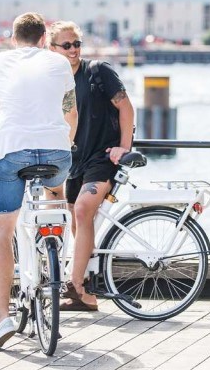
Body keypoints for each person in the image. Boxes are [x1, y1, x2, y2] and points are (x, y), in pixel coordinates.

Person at [0, 12, 78, 350]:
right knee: (56, 197)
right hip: (56, 154)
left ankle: (0, 319)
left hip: (12, 154)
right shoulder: (59, 64)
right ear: (43, 39)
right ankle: (55, 259)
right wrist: (65, 146)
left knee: (1, 232)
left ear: (13, 38)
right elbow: (71, 113)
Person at [47, 21, 135, 312]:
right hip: (74, 160)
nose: (73, 50)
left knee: (84, 210)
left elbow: (126, 107)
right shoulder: (56, 81)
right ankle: (86, 296)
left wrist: (124, 148)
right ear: (52, 48)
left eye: (77, 44)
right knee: (76, 222)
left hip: (103, 156)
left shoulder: (98, 71)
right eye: (66, 45)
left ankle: (75, 285)